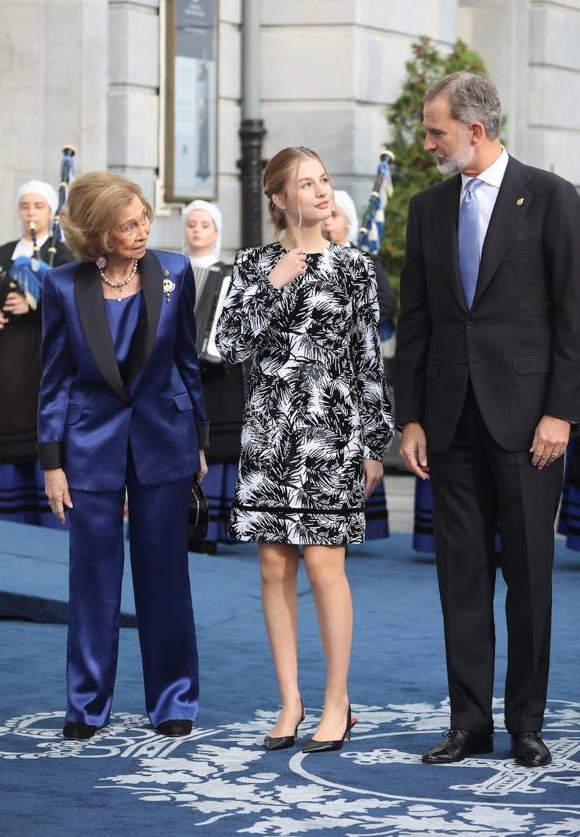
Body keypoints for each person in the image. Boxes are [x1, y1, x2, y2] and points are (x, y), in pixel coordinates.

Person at [395, 72, 580, 768]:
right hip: (449, 424)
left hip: (532, 423)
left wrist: (561, 411)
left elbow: (574, 317)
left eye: (436, 131)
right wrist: (410, 418)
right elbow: (416, 320)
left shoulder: (555, 198)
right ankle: (468, 724)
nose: (428, 142)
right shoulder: (427, 207)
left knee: (530, 580)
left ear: (475, 130)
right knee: (460, 579)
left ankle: (526, 724)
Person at [216, 146, 393, 753]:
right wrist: (271, 285)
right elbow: (227, 345)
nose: (322, 192)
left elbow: (369, 362)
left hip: (330, 435)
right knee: (274, 566)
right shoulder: (250, 264)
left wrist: (374, 441)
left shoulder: (355, 269)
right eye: (307, 183)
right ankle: (290, 700)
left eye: (325, 180)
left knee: (324, 565)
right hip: (269, 433)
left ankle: (337, 702)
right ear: (279, 198)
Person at [37, 172, 208, 740]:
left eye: (144, 219)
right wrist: (52, 462)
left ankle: (174, 700)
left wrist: (199, 440)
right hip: (88, 447)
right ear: (99, 234)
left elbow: (186, 361)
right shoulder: (63, 286)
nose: (142, 231)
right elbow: (55, 379)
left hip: (165, 439)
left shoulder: (175, 274)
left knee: (165, 576)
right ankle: (86, 705)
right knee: (93, 579)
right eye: (128, 224)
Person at [0, 180, 74, 525]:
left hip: (37, 357)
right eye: (25, 206)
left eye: (38, 206)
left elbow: (73, 304)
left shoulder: (61, 255)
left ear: (51, 212)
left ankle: (41, 509)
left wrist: (34, 306)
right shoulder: (2, 253)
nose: (31, 213)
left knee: (33, 427)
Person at [323, 189, 397, 542]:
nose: (327, 222)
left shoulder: (364, 261)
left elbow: (386, 302)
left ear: (349, 222)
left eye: (335, 216)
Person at [181, 200, 241, 547]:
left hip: (218, 375)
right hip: (179, 371)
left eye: (205, 224)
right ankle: (183, 521)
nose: (198, 230)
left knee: (216, 446)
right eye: (192, 224)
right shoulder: (170, 270)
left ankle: (214, 526)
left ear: (216, 232)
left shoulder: (229, 273)